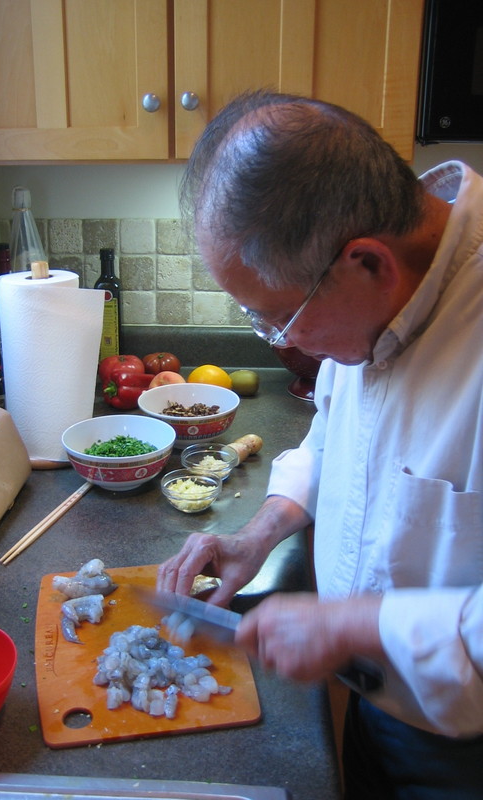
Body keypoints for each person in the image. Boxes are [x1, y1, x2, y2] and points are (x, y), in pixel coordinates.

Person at [156, 90, 483, 799]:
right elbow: (337, 437)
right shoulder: (374, 291)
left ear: (367, 263)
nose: (280, 341)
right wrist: (258, 534)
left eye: (277, 318)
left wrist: (354, 624)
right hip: (376, 708)